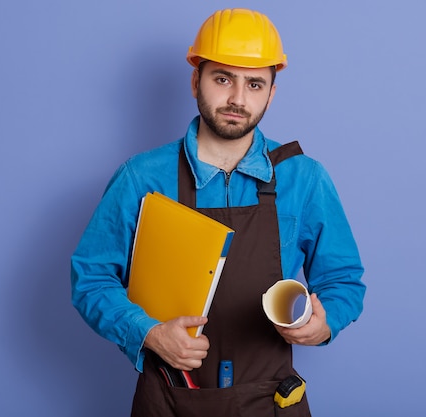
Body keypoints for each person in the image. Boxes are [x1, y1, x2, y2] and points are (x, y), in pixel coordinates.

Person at [71, 8, 365, 417]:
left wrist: (324, 323)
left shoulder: (304, 178)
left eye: (255, 84)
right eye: (222, 78)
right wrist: (148, 333)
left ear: (272, 93)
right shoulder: (142, 177)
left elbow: (343, 280)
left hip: (272, 402)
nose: (237, 99)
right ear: (196, 80)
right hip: (169, 399)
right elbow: (91, 278)